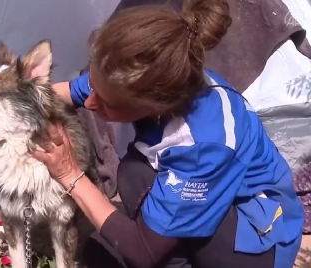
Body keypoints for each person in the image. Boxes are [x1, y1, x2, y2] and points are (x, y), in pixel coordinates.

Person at [29, 0, 304, 267]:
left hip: (259, 241)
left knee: (132, 195)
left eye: (106, 103)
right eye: (95, 89)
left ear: (153, 104)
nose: (89, 104)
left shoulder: (202, 145)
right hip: (217, 199)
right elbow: (73, 92)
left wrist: (69, 174)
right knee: (130, 186)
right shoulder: (136, 71)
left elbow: (142, 252)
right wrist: (18, 97)